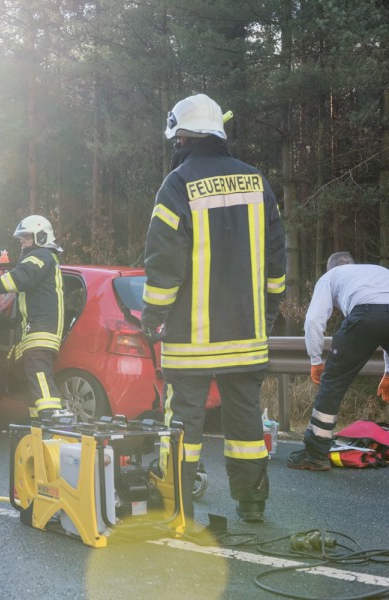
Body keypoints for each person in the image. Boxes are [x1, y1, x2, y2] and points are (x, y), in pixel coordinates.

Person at [141, 93, 286, 523]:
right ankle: (253, 502)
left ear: (182, 137)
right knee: (244, 422)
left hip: (192, 341)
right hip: (246, 335)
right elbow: (277, 256)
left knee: (184, 422)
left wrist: (153, 315)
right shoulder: (257, 181)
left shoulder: (178, 184)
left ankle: (177, 500)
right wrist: (270, 308)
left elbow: (164, 262)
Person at [287, 251, 389, 471]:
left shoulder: (331, 276)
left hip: (366, 313)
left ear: (329, 269)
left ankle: (315, 453)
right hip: (378, 308)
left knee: (332, 382)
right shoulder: (378, 272)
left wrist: (315, 359)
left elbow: (314, 320)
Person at [0, 215, 65, 420]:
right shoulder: (42, 257)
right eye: (21, 237)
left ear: (40, 236)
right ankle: (37, 425)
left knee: (38, 373)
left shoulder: (39, 256)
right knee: (29, 376)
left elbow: (17, 278)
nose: (22, 241)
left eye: (26, 237)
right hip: (36, 327)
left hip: (41, 328)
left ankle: (52, 418)